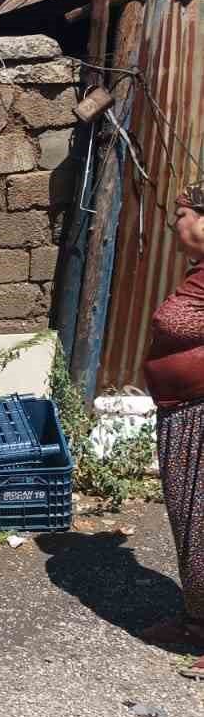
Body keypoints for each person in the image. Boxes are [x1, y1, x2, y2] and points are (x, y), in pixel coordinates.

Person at [142, 183, 204, 674]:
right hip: (184, 414)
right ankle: (196, 621)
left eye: (181, 213)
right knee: (190, 520)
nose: (174, 223)